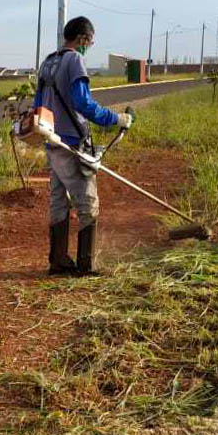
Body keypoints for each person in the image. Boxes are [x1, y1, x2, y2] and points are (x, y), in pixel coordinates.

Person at [33, 16, 134, 275]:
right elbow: (83, 103)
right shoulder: (74, 60)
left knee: (58, 200)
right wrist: (116, 119)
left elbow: (37, 107)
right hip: (71, 145)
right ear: (82, 39)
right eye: (90, 41)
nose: (89, 46)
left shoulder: (48, 62)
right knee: (87, 203)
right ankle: (85, 265)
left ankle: (58, 261)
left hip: (51, 141)